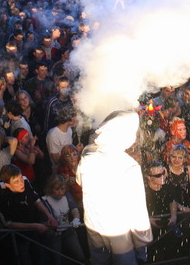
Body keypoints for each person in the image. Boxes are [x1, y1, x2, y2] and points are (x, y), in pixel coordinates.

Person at [77, 110, 152, 265]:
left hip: (93, 224)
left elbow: (80, 181)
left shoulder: (87, 153)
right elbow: (137, 209)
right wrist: (142, 242)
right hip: (118, 230)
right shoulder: (129, 165)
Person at [0, 164, 58, 265]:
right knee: (24, 259)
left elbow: (35, 199)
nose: (21, 183)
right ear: (7, 185)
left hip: (34, 228)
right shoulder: (0, 192)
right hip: (18, 234)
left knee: (40, 256)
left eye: (21, 178)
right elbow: (8, 222)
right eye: (16, 182)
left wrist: (49, 216)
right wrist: (35, 226)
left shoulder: (25, 180)